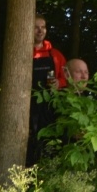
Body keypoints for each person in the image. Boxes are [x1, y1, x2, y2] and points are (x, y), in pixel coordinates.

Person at [28, 15, 67, 167]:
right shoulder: (23, 53)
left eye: (43, 27)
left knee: (49, 142)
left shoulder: (55, 55)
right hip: (28, 105)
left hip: (50, 106)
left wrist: (59, 82)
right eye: (36, 27)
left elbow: (67, 80)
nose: (40, 30)